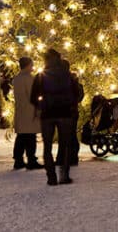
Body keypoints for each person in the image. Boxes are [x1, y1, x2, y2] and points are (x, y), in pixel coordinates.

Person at [30, 48, 82, 185]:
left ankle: (51, 177)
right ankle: (64, 175)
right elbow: (77, 94)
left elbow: (33, 97)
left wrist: (40, 105)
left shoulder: (41, 76)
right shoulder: (68, 75)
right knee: (64, 145)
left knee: (47, 146)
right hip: (65, 114)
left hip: (47, 114)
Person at [11, 56, 43, 170]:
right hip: (30, 111)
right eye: (32, 64)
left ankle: (18, 159)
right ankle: (31, 160)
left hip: (20, 110)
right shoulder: (29, 79)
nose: (33, 66)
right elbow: (33, 95)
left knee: (21, 136)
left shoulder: (17, 79)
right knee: (30, 137)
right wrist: (38, 108)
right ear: (28, 65)